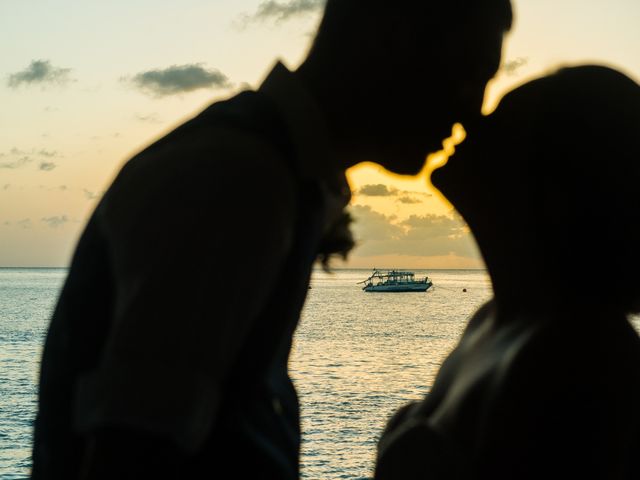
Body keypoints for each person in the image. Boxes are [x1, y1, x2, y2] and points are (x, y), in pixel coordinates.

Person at [31, 1, 513, 478]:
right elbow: (136, 447)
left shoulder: (271, 174)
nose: (473, 114)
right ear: (389, 40)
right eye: (467, 75)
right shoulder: (237, 179)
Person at [374, 65, 640, 479]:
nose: (470, 121)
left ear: (554, 181)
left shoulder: (585, 352)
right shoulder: (491, 320)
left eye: (500, 117)